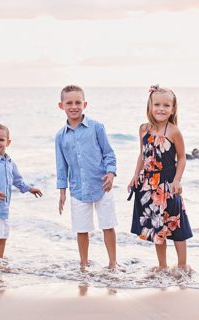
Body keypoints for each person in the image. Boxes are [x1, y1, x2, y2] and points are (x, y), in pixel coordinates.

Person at [127, 85, 193, 273]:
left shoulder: (173, 131)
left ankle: (182, 265)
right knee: (157, 228)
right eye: (157, 104)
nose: (161, 109)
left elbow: (181, 158)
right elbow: (142, 155)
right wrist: (135, 176)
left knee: (177, 225)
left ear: (173, 109)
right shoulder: (143, 129)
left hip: (168, 185)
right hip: (148, 186)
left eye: (166, 105)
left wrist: (177, 181)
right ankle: (163, 265)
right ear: (150, 106)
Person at [55, 85, 120, 271]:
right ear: (61, 106)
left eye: (77, 102)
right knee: (81, 229)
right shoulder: (60, 136)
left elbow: (109, 153)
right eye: (69, 103)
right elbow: (61, 166)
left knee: (108, 225)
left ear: (85, 104)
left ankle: (113, 263)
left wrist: (111, 173)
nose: (74, 106)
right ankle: (84, 264)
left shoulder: (97, 127)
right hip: (77, 189)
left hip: (102, 185)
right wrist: (62, 192)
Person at [0, 123, 42, 263]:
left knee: (3, 235)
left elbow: (18, 181)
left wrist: (30, 189)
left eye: (1, 140)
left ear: (8, 142)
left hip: (3, 208)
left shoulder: (10, 163)